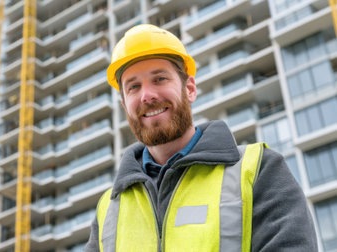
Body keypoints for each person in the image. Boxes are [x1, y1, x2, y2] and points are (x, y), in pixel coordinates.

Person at [85, 24, 318, 251]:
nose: (147, 95)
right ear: (125, 105)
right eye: (133, 87)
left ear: (190, 89)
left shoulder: (259, 170)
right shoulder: (109, 209)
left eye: (159, 79)